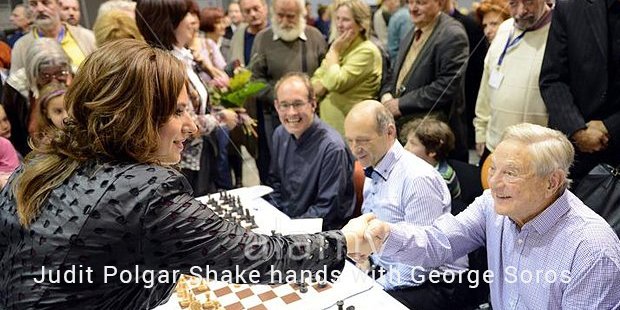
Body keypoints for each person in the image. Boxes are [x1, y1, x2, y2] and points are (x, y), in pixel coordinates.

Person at [0, 39, 376, 309]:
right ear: (137, 117)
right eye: (178, 112)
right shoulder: (146, 191)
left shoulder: (37, 164)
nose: (191, 127)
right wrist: (345, 242)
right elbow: (254, 256)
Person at [363, 123, 620, 309]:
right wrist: (383, 235)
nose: (493, 183)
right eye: (493, 168)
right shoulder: (492, 205)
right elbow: (439, 241)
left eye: (510, 173)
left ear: (552, 182)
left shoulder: (593, 250)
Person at [343, 100, 468, 310]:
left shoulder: (418, 179)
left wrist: (374, 286)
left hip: (434, 281)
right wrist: (364, 261)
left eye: (363, 140)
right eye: (350, 141)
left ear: (390, 132)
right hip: (389, 268)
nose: (355, 149)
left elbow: (422, 262)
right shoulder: (373, 163)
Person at [136, 0, 237, 194]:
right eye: (187, 15)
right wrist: (221, 117)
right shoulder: (162, 67)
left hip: (199, 156)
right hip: (182, 162)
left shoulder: (184, 57)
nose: (194, 21)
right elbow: (182, 124)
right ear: (167, 21)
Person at [539, 0, 620, 183]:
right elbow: (552, 78)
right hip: (575, 151)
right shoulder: (570, 5)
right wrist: (577, 129)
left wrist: (611, 127)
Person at [380, 0, 469, 161]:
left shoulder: (452, 34)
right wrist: (386, 94)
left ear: (440, 3)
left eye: (421, 2)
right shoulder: (413, 31)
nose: (413, 8)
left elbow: (446, 86)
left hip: (433, 141)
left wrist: (400, 104)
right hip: (407, 134)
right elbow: (395, 72)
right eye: (411, 2)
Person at [250, 0, 328, 183]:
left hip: (312, 116)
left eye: (291, 16)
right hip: (276, 117)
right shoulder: (263, 39)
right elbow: (254, 79)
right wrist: (282, 99)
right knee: (282, 168)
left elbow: (326, 71)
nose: (285, 21)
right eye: (280, 15)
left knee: (312, 166)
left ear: (302, 15)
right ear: (272, 14)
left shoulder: (315, 36)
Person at [267, 73, 355, 231]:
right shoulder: (279, 134)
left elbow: (327, 210)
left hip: (320, 234)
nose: (291, 112)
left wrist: (288, 230)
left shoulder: (332, 148)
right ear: (276, 106)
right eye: (284, 105)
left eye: (298, 104)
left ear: (313, 104)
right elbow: (275, 184)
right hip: (287, 225)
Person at [474, 0, 552, 165]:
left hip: (537, 153)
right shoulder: (504, 29)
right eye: (514, 4)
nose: (520, 11)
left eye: (529, 2)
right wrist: (480, 131)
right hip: (494, 145)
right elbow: (486, 86)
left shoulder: (559, 31)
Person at [311, 0, 382, 135]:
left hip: (352, 130)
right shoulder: (341, 46)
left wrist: (335, 53)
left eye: (345, 20)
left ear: (361, 25)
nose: (339, 25)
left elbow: (335, 82)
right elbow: (314, 82)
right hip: (329, 127)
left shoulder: (367, 51)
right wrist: (325, 82)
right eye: (337, 18)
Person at [1, 38, 73, 156]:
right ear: (32, 74)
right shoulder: (16, 86)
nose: (53, 80)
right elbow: (14, 135)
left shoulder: (76, 77)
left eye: (60, 73)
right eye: (45, 75)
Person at [10, 0, 95, 74]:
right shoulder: (21, 46)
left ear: (59, 5)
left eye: (46, 3)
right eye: (33, 4)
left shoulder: (87, 37)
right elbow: (16, 85)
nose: (40, 9)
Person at [401, 117, 461, 200]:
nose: (405, 148)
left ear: (432, 151)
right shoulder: (414, 166)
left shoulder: (441, 179)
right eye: (407, 142)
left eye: (413, 143)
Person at [229, 0, 269, 66]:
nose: (252, 14)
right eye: (247, 11)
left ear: (265, 8)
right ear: (242, 14)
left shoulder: (276, 34)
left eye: (256, 9)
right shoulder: (238, 37)